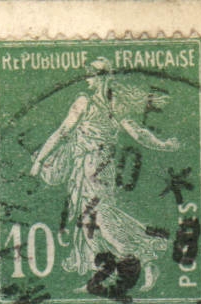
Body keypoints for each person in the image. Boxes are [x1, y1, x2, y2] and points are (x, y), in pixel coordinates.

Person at [28, 57, 182, 291]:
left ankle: (146, 257)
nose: (87, 78)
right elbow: (63, 132)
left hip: (97, 168)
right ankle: (99, 276)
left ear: (102, 77)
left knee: (102, 219)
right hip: (84, 167)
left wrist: (39, 161)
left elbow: (137, 133)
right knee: (87, 222)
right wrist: (40, 160)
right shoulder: (96, 101)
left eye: (91, 74)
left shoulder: (102, 103)